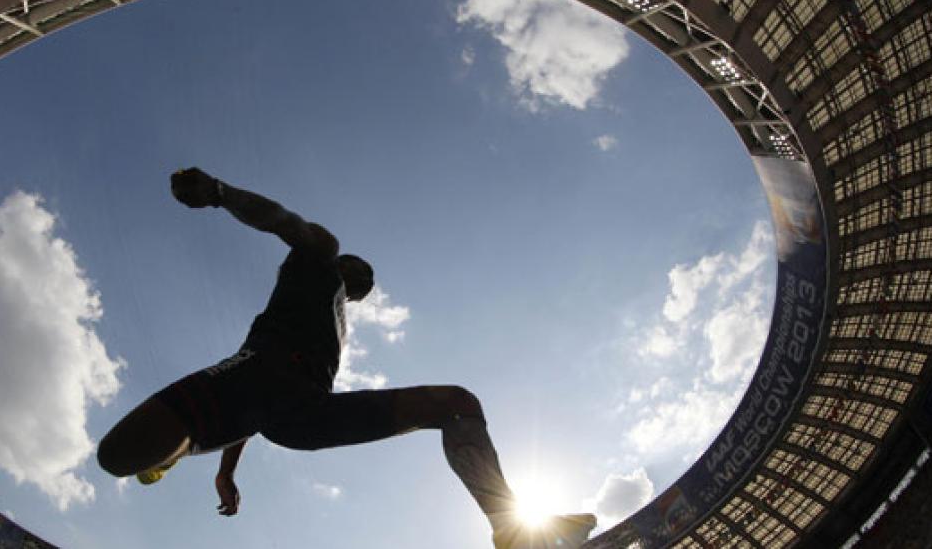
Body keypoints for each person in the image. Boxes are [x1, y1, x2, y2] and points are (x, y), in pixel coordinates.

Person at [97, 168, 596, 548]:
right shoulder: (319, 253)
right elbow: (281, 220)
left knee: (457, 403)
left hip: (306, 412)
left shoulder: (335, 319)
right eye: (359, 269)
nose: (364, 279)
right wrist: (220, 193)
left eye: (366, 281)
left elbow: (254, 415)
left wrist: (228, 470)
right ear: (343, 262)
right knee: (115, 456)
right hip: (249, 376)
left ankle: (511, 530)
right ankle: (174, 450)